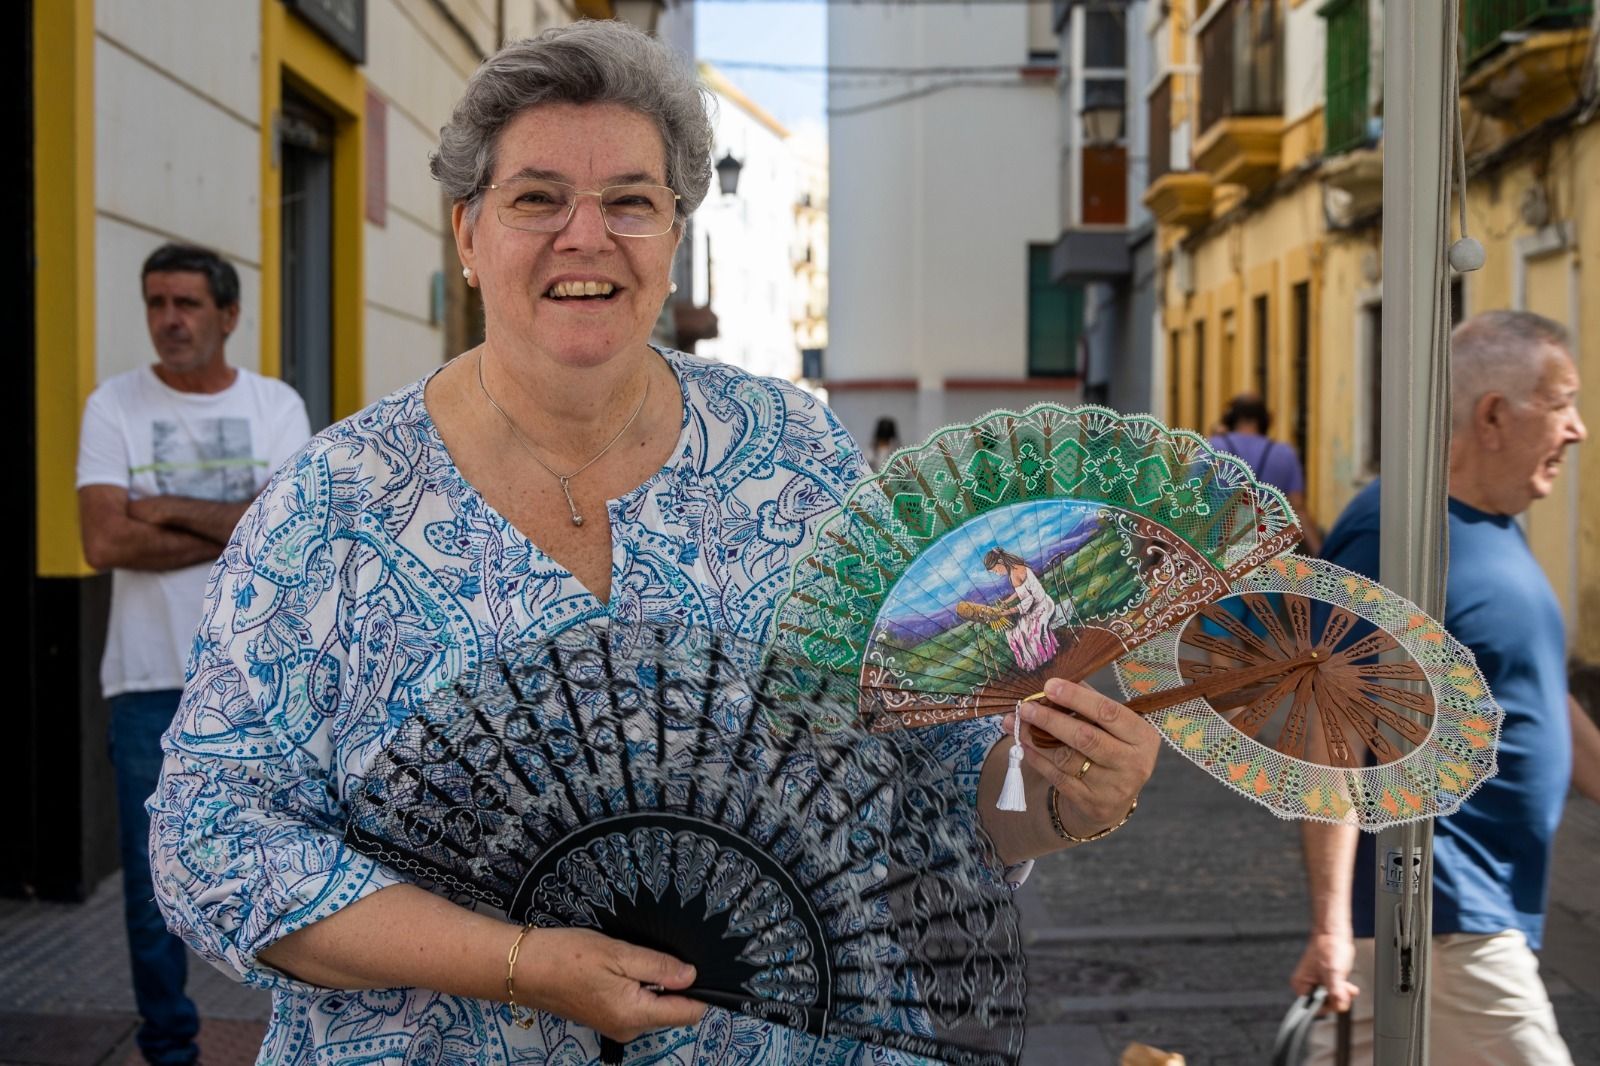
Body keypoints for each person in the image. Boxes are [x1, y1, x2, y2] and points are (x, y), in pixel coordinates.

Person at [148, 23, 1160, 1064]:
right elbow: (213, 842)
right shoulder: (337, 505)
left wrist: (1058, 796)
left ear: (673, 235)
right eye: (536, 197)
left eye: (631, 201)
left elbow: (937, 793)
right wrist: (516, 960)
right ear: (466, 231)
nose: (585, 236)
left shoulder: (795, 458)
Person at [1290, 311, 1600, 1064]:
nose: (1579, 430)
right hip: (1437, 912)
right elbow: (1330, 731)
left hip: (1478, 908)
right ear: (1494, 415)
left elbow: (1530, 692)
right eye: (1562, 403)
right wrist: (1332, 924)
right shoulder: (1396, 532)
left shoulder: (1494, 523)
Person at [75, 242, 311, 1066]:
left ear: (228, 315)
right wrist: (234, 520)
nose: (169, 320)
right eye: (156, 303)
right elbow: (103, 538)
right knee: (150, 891)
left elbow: (285, 537)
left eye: (187, 303)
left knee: (288, 864)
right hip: (146, 680)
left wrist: (163, 507)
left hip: (260, 680)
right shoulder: (114, 406)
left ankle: (295, 1035)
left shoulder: (276, 404)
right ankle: (169, 1048)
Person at [1209, 394, 1322, 554]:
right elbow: (1298, 507)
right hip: (1268, 552)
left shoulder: (1213, 447)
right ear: (1265, 421)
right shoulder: (1285, 453)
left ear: (1230, 419)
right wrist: (1322, 554)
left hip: (1218, 551)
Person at [983, 547, 1060, 672]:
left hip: (1040, 607)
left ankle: (1043, 660)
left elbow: (1027, 601)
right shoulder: (1016, 567)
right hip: (1040, 601)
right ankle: (1038, 659)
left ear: (1000, 563)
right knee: (1015, 630)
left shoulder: (1014, 575)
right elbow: (1023, 590)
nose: (997, 574)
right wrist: (1007, 601)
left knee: (1022, 632)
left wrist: (1006, 612)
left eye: (995, 571)